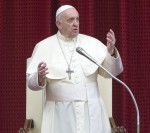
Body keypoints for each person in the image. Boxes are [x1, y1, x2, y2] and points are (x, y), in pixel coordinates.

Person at [26, 5, 123, 133]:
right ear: (59, 24)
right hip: (59, 114)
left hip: (91, 110)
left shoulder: (92, 43)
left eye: (77, 19)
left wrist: (110, 53)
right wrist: (39, 76)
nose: (75, 23)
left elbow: (111, 73)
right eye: (70, 20)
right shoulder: (44, 46)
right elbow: (31, 84)